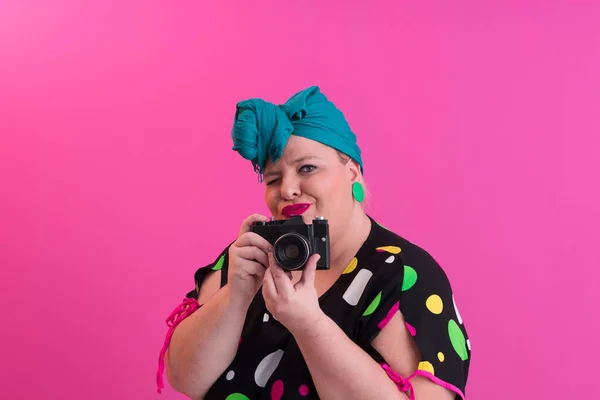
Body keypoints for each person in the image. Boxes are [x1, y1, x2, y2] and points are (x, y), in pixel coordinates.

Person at [156, 86, 471, 400]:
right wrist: (236, 296)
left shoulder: (399, 274)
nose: (288, 190)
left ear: (352, 174)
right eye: (273, 178)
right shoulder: (250, 255)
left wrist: (308, 324)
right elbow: (185, 379)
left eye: (307, 168)